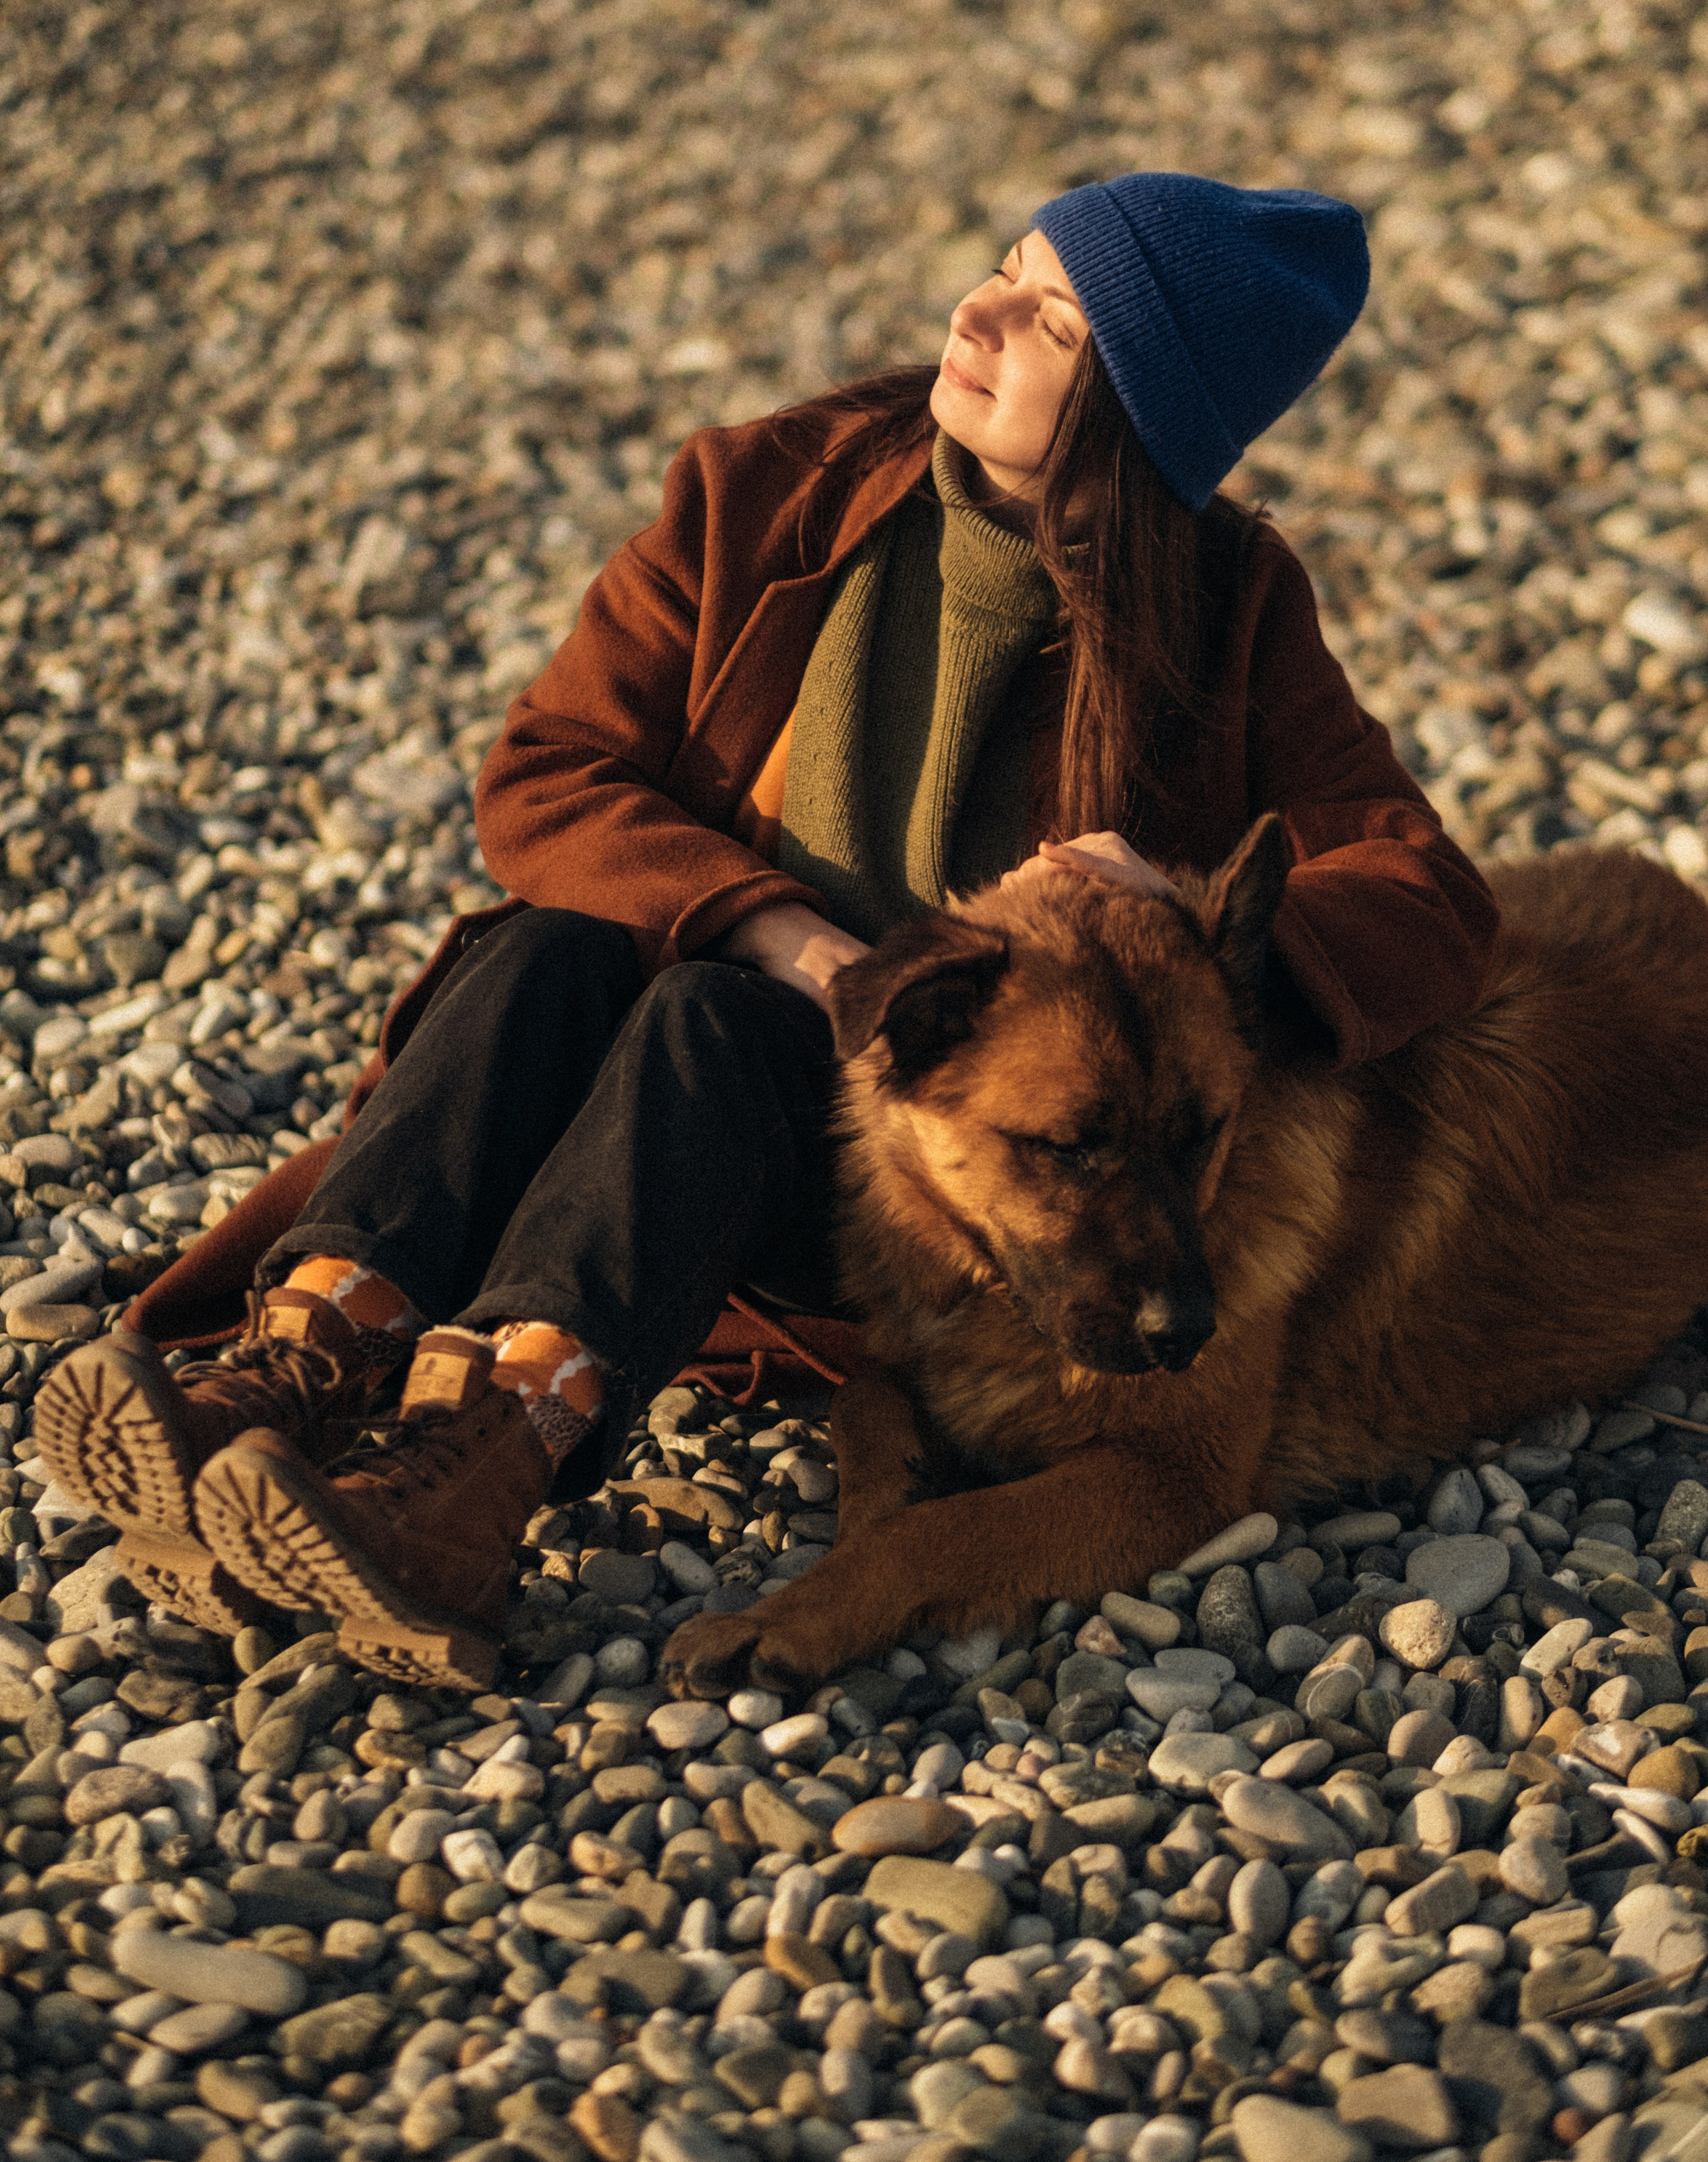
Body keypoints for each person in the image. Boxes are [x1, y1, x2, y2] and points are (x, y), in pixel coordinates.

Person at [39, 172, 1499, 1689]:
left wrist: (1182, 910)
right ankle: (295, 1364)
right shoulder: (765, 490)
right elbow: (546, 772)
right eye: (998, 266)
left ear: (1143, 401)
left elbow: (1429, 893)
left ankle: (463, 1485)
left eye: (1049, 318)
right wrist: (788, 936)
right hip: (664, 1099)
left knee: (706, 1025)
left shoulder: (1229, 606)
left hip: (892, 1183)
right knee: (547, 952)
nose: (974, 313)